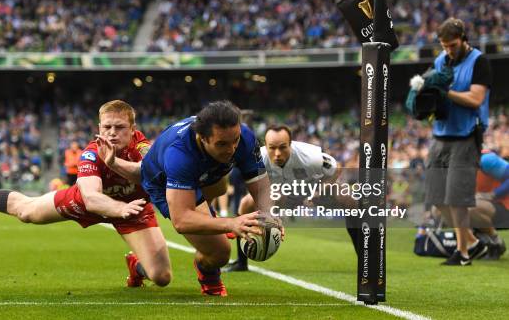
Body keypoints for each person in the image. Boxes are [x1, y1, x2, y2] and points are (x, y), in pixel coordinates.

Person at [0, 100, 172, 288]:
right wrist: (118, 208)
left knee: (162, 277)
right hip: (91, 203)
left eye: (120, 127)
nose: (112, 133)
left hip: (133, 209)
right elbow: (91, 197)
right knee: (26, 211)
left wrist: (122, 191)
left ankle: (136, 266)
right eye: (107, 127)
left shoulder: (143, 147)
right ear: (99, 127)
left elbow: (150, 170)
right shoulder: (90, 153)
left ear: (133, 129)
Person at [98, 101, 282, 296]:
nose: (232, 149)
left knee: (220, 186)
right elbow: (182, 220)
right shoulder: (179, 155)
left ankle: (210, 220)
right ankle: (207, 273)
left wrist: (270, 216)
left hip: (206, 172)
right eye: (222, 143)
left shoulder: (244, 137)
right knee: (220, 253)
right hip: (163, 181)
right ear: (202, 137)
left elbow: (260, 184)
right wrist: (231, 224)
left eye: (235, 140)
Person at [423, 17, 493, 266]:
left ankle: (462, 253)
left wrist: (444, 92)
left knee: (457, 199)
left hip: (465, 136)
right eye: (444, 45)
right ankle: (474, 243)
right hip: (440, 135)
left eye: (452, 45)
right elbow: (434, 92)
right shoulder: (441, 61)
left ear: (463, 39)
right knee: (437, 198)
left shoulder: (479, 61)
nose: (448, 50)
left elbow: (475, 99)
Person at [223, 125, 339, 272]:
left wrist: (319, 190)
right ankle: (241, 262)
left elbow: (337, 168)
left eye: (283, 147)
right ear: (265, 146)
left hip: (310, 190)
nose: (277, 153)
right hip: (281, 194)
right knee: (246, 204)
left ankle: (366, 259)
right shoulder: (259, 157)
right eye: (272, 147)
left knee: (349, 201)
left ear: (291, 144)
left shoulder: (310, 156)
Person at [469, 150, 509, 259]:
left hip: (504, 206)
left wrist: (491, 195)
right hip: (487, 208)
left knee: (471, 207)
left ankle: (496, 242)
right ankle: (481, 242)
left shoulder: (486, 159)